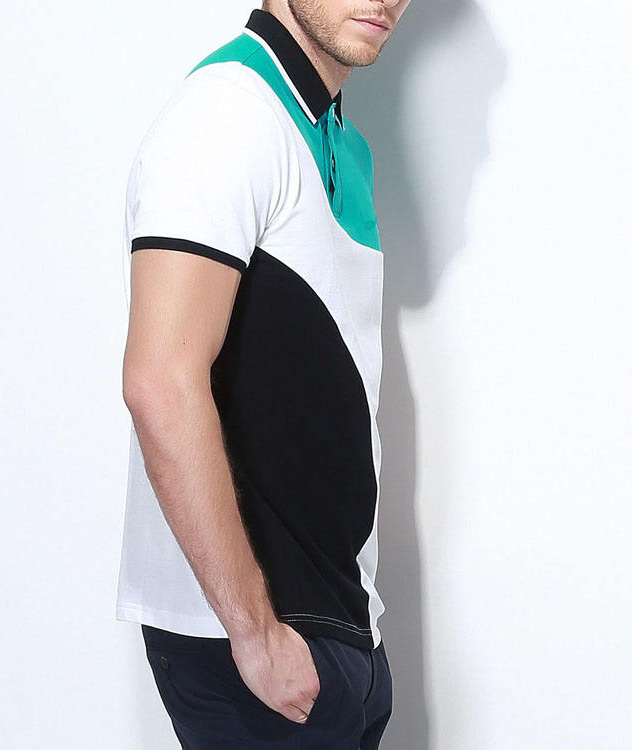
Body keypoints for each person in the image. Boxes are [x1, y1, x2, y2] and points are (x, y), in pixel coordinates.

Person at [116, 1, 410, 746]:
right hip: (251, 645)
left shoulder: (341, 142)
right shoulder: (227, 115)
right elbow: (160, 382)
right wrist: (254, 633)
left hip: (338, 625)